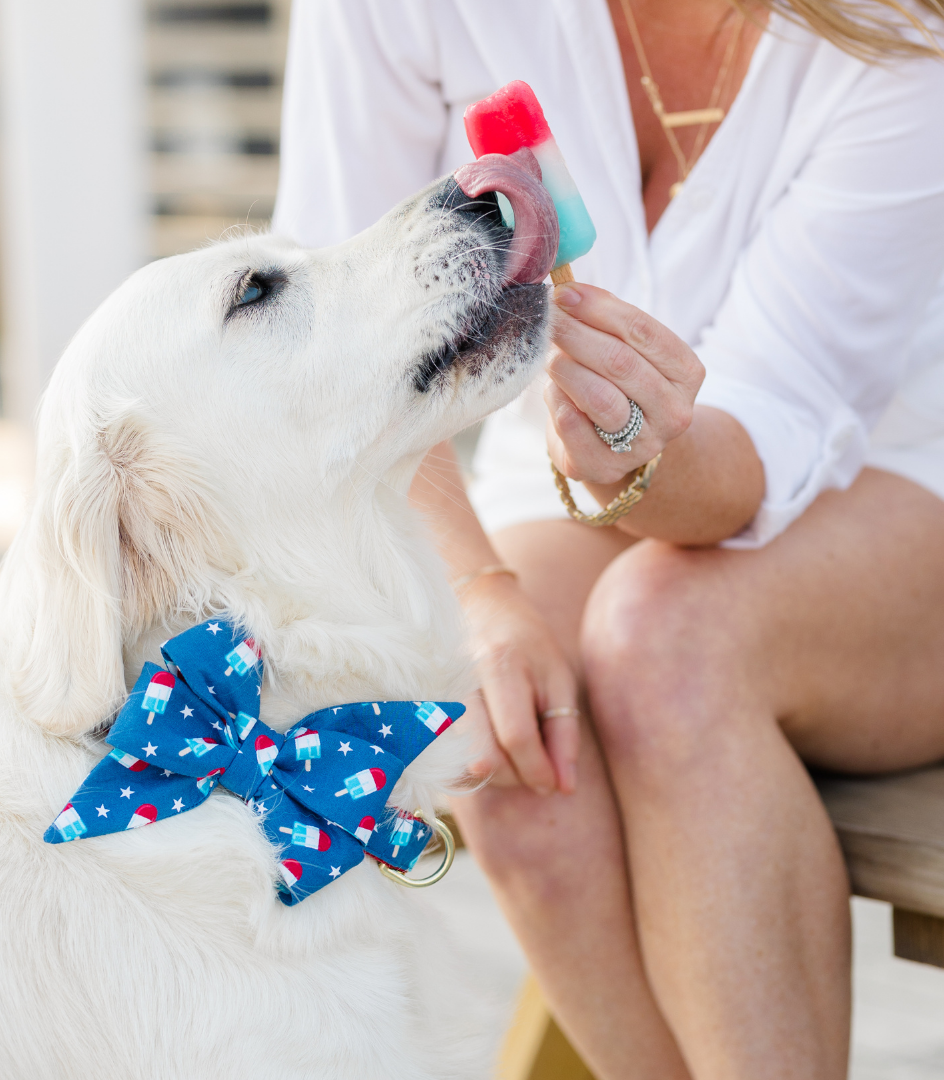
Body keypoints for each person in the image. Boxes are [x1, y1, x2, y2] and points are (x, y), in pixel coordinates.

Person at [272, 1, 944, 1076]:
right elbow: (338, 349)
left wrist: (633, 456)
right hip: (572, 476)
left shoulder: (905, 38)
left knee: (663, 638)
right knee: (507, 714)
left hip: (904, 480)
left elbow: (766, 429)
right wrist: (478, 590)